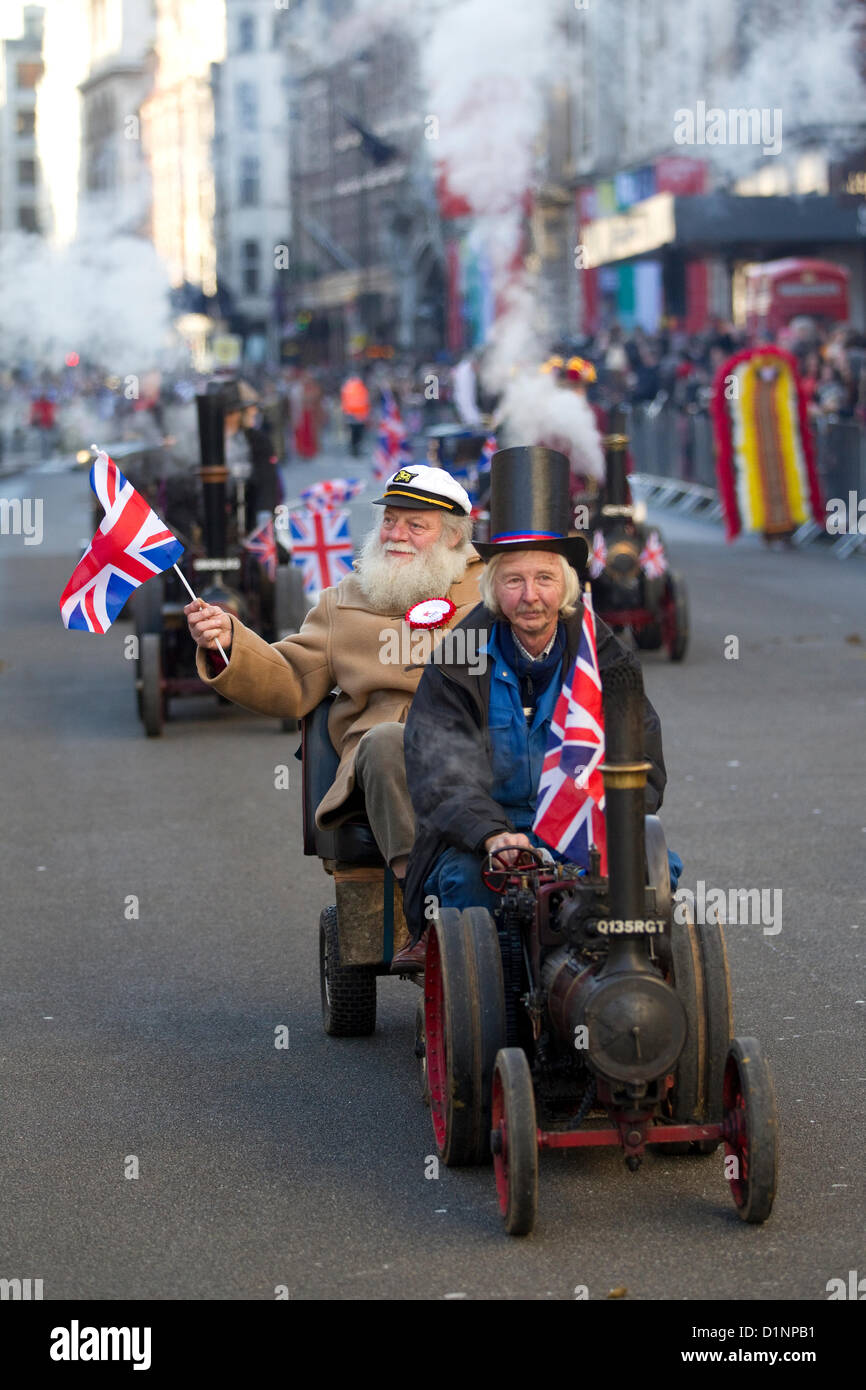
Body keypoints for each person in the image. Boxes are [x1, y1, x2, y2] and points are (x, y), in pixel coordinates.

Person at [395, 446, 668, 973]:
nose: (530, 597)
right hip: (482, 836)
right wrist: (494, 834)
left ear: (566, 587)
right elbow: (436, 777)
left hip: (586, 827)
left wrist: (596, 827)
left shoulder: (607, 661)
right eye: (514, 580)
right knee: (468, 889)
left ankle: (637, 999)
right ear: (493, 588)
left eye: (544, 579)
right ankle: (485, 1009)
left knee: (658, 880)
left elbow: (647, 767)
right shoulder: (455, 659)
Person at [184, 465, 483, 884]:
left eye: (416, 525)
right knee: (383, 743)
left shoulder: (494, 588)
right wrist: (228, 643)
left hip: (473, 738)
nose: (396, 535)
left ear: (454, 535)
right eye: (390, 521)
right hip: (386, 756)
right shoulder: (344, 599)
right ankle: (419, 903)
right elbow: (289, 678)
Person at [340, 369, 371, 457]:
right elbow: (366, 401)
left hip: (352, 415)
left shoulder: (347, 387)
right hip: (359, 415)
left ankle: (354, 449)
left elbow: (344, 401)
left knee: (354, 433)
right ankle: (355, 449)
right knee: (358, 434)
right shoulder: (361, 387)